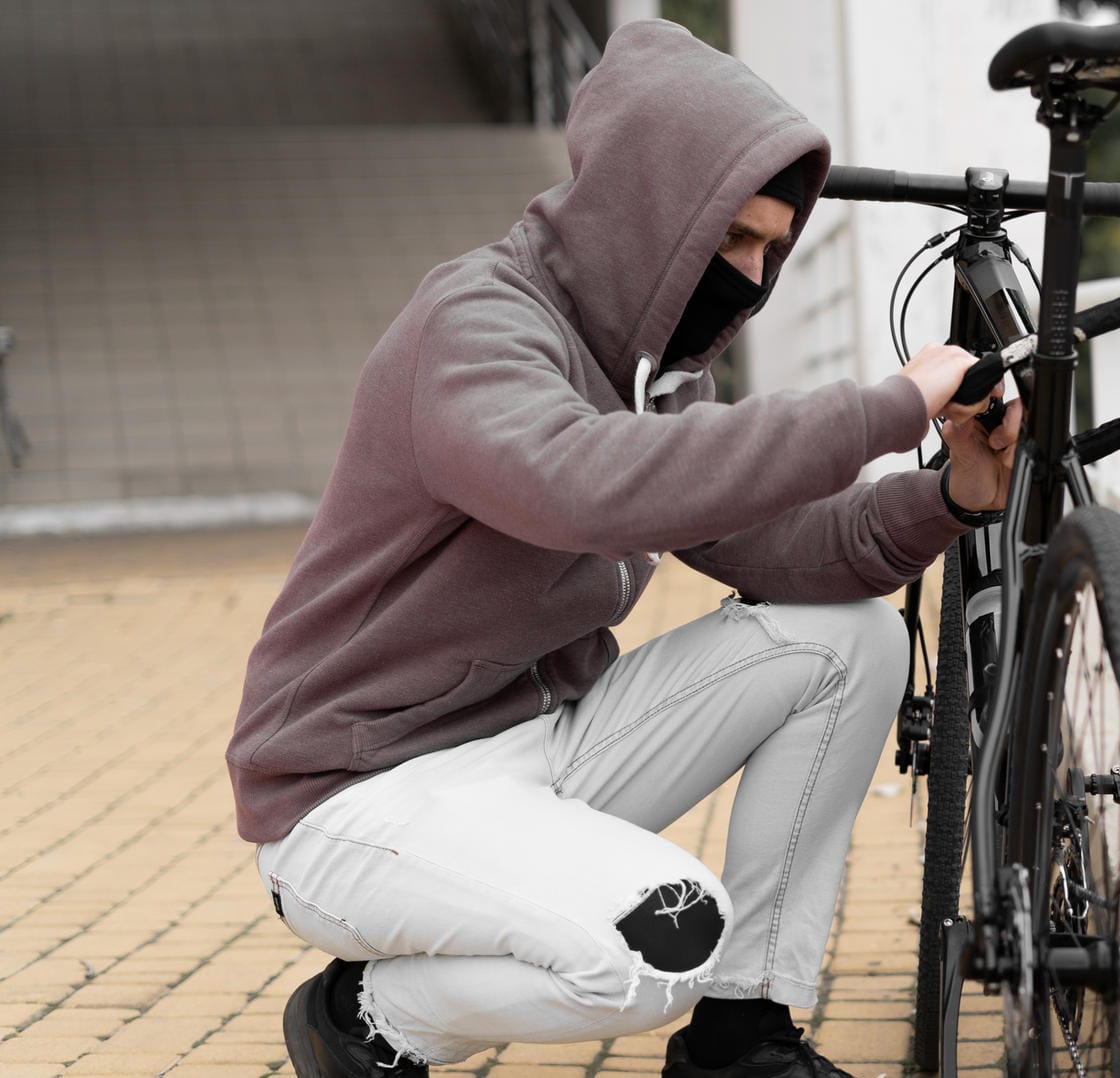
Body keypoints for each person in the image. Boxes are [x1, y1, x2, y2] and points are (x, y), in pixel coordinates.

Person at [228, 20, 1020, 1078]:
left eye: (766, 251)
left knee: (851, 640)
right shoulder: (471, 325)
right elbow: (586, 483)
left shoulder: (653, 376)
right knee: (662, 939)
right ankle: (368, 1017)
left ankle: (745, 1034)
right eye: (729, 238)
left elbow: (787, 546)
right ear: (648, 211)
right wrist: (885, 406)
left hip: (532, 754)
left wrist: (955, 491)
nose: (746, 274)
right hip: (356, 798)